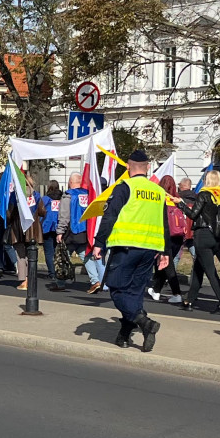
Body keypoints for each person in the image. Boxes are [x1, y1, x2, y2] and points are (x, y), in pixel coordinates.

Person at [95, 149, 168, 351]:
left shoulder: (124, 186)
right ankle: (125, 336)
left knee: (117, 288)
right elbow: (165, 224)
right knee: (135, 293)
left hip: (126, 247)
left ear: (127, 167)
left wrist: (99, 243)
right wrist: (166, 251)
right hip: (150, 249)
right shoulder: (158, 191)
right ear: (147, 168)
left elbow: (109, 217)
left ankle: (144, 322)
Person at [174, 169, 220, 313]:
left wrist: (180, 204)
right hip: (214, 236)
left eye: (205, 178)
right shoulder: (219, 195)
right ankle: (189, 301)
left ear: (208, 180)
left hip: (202, 235)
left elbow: (193, 214)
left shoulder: (204, 194)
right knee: (199, 270)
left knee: (210, 272)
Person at [49, 172, 104, 294]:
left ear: (71, 182)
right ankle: (95, 281)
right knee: (86, 256)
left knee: (62, 256)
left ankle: (60, 282)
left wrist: (60, 231)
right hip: (85, 231)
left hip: (70, 231)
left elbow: (64, 215)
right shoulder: (88, 194)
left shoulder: (68, 196)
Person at [6, 175, 47, 291]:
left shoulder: (15, 195)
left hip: (18, 227)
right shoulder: (36, 195)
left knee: (21, 254)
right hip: (33, 227)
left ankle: (23, 280)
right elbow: (43, 211)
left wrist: (9, 221)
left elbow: (10, 212)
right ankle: (31, 278)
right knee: (32, 254)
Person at [149, 175, 185, 305]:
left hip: (166, 236)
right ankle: (156, 291)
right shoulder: (177, 200)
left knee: (167, 265)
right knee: (164, 263)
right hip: (179, 236)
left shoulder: (160, 199)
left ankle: (177, 294)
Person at [41, 180, 62, 279]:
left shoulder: (45, 199)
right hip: (59, 226)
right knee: (57, 251)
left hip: (47, 226)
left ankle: (52, 273)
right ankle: (59, 271)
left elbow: (40, 212)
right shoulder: (62, 198)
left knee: (49, 252)